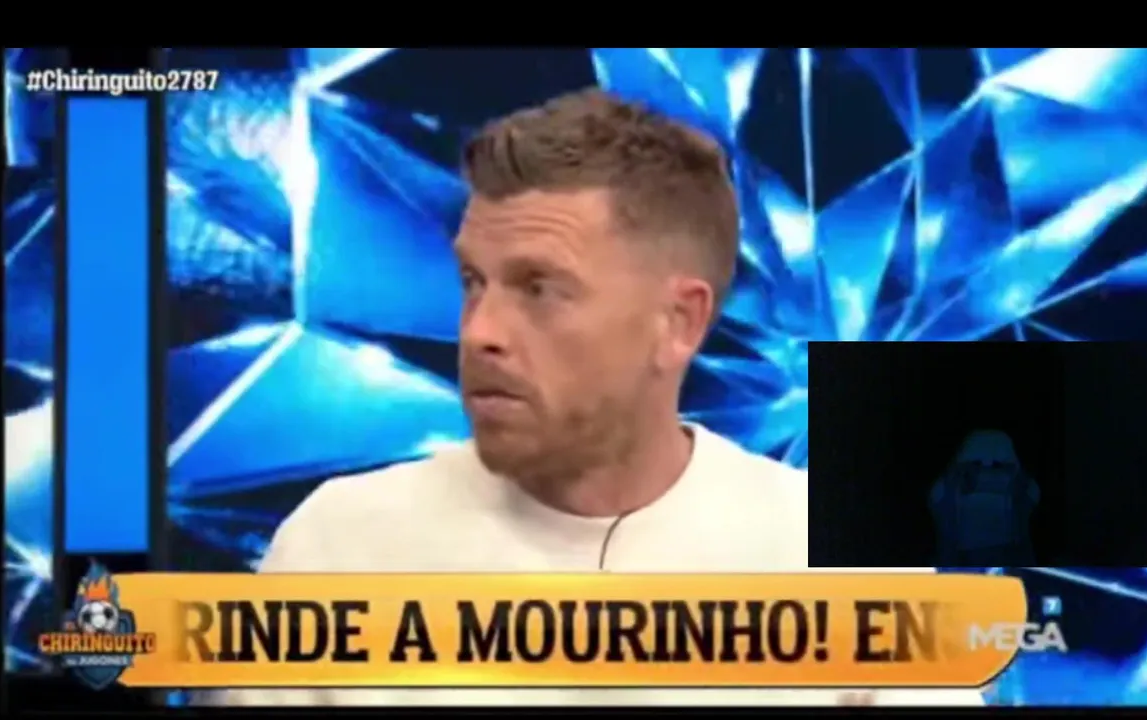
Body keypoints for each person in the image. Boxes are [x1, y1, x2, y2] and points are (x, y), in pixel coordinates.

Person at [211, 89, 983, 707]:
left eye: (539, 288)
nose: (479, 332)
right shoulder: (337, 548)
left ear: (678, 323)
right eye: (473, 282)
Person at [930, 430, 1039, 567]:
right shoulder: (946, 489)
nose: (986, 470)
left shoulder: (1022, 488)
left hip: (1006, 557)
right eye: (976, 464)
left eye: (996, 466)